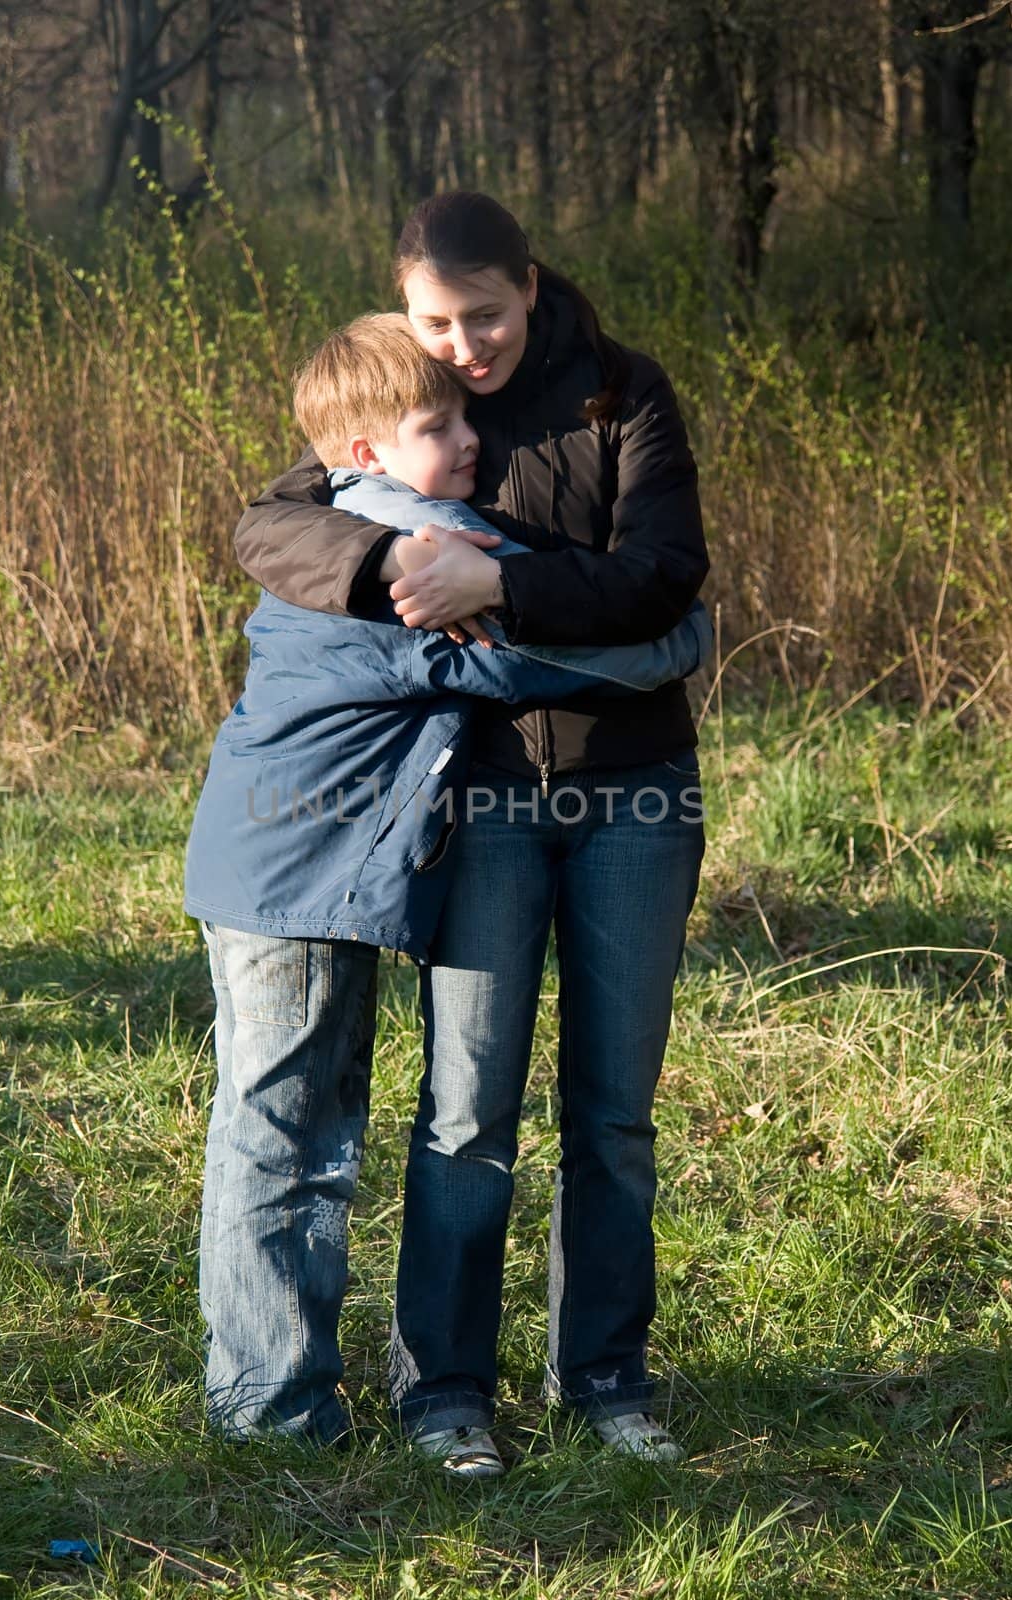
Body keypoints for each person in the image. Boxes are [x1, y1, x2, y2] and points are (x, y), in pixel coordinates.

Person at [233, 192, 711, 1478]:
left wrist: (497, 580)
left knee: (614, 1110)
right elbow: (273, 522)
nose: (463, 348)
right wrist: (394, 562)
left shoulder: (624, 391)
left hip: (635, 790)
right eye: (436, 321)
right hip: (482, 796)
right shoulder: (406, 392)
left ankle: (605, 1377)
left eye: (484, 316)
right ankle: (446, 1390)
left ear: (533, 287)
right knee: (466, 1109)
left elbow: (666, 572)